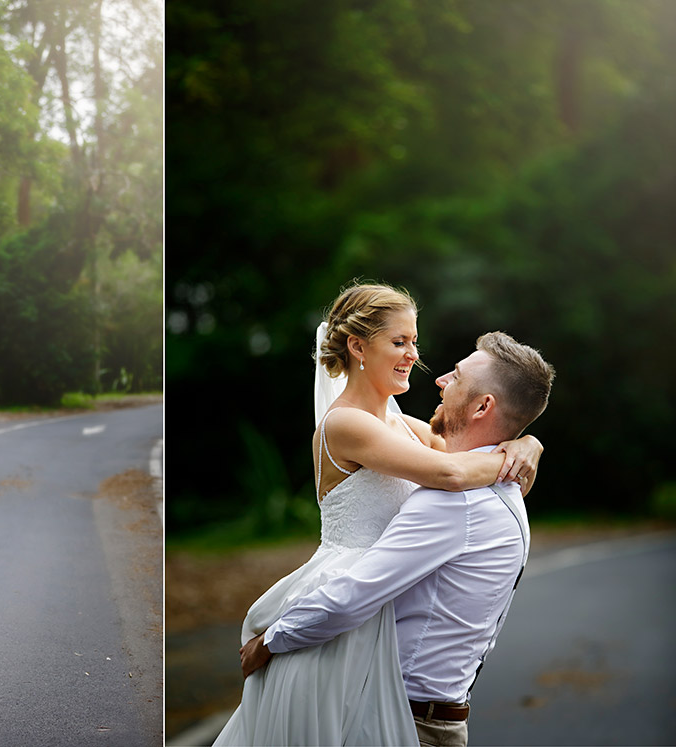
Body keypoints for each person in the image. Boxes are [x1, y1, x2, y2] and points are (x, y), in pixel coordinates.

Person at [212, 283, 545, 746]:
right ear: (357, 346)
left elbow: (468, 443)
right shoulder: (344, 423)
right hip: (346, 591)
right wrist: (520, 453)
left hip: (376, 603)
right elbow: (452, 471)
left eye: (414, 341)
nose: (413, 355)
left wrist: (525, 438)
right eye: (399, 342)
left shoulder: (402, 424)